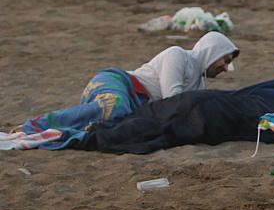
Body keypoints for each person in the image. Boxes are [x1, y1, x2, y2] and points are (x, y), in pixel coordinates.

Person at [19, 31, 239, 149]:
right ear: (211, 51)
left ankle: (57, 135)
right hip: (119, 83)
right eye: (224, 60)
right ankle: (34, 126)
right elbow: (173, 100)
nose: (226, 68)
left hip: (136, 105)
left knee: (113, 129)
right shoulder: (178, 55)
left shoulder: (199, 83)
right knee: (113, 109)